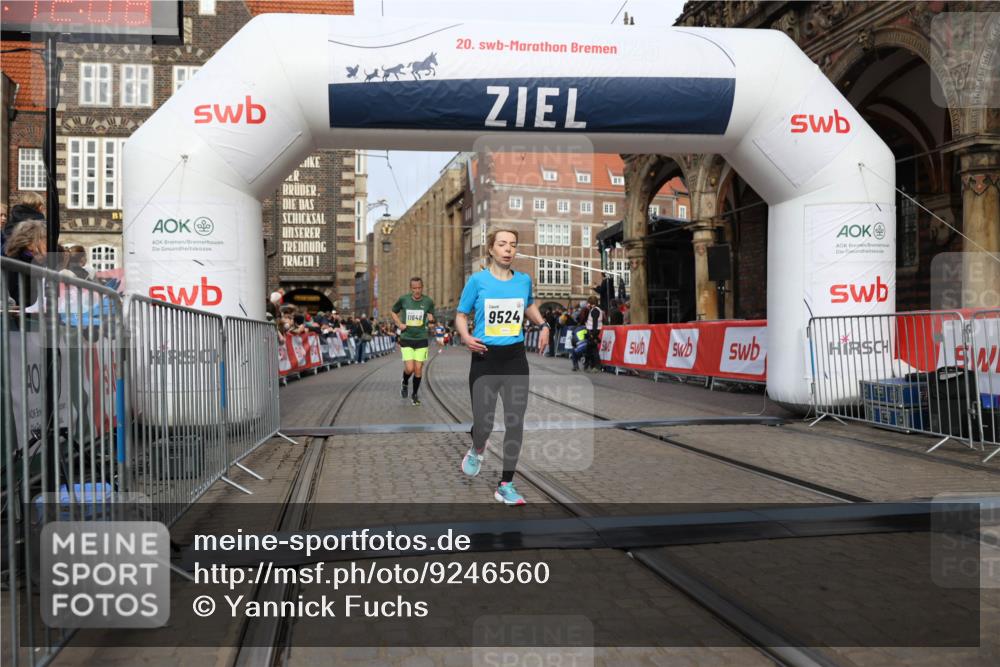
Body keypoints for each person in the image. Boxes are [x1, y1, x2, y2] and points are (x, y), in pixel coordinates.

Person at [456, 228, 550, 506]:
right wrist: (465, 336)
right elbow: (462, 315)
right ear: (491, 249)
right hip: (485, 357)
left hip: (514, 358)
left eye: (512, 245)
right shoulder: (477, 281)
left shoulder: (523, 281)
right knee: (483, 423)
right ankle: (477, 446)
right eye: (502, 244)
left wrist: (542, 324)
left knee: (514, 422)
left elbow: (529, 306)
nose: (508, 249)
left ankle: (506, 484)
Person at [391, 277, 436, 406]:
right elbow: (393, 312)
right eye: (414, 288)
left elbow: (432, 317)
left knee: (418, 369)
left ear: (422, 287)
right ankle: (405, 382)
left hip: (421, 339)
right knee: (409, 368)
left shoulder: (428, 301)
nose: (417, 291)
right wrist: (399, 324)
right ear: (411, 288)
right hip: (407, 338)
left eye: (419, 288)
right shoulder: (404, 299)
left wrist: (431, 321)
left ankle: (414, 395)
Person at [4, 219, 48, 306]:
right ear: (29, 242)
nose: (48, 243)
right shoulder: (15, 263)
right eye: (44, 239)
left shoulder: (41, 262)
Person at [583, 295, 603, 371]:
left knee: (593, 350)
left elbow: (595, 323)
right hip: (592, 331)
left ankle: (596, 366)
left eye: (588, 303)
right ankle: (589, 364)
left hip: (593, 331)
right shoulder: (594, 310)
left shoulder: (595, 311)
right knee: (590, 349)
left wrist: (593, 335)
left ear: (591, 303)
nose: (587, 304)